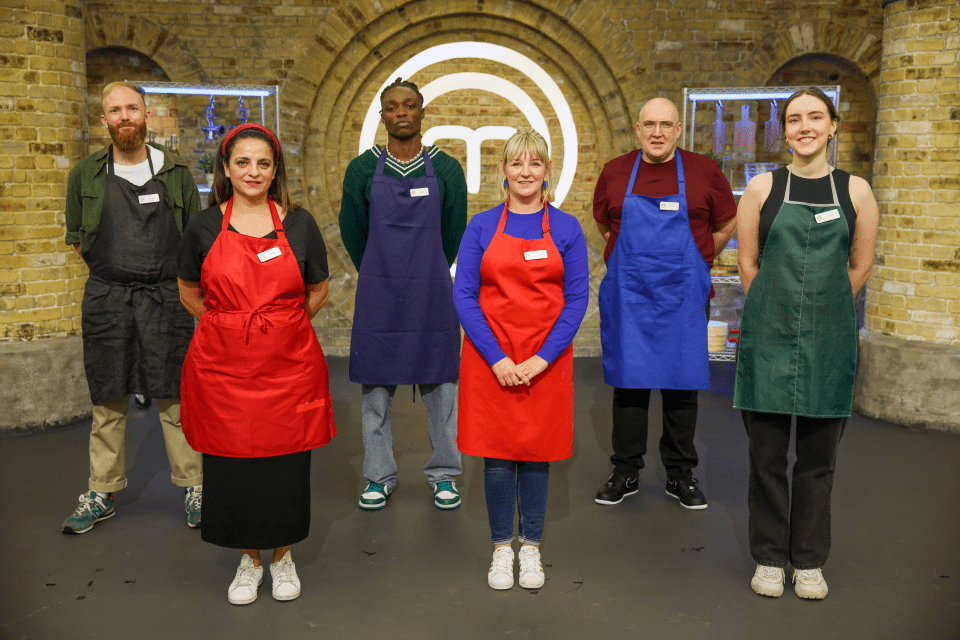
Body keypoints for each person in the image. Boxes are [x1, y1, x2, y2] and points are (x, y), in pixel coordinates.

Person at [178, 123, 336, 605]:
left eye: (263, 163)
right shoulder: (204, 227)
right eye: (242, 162)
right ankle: (248, 560)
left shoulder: (300, 224)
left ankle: (283, 556)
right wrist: (229, 327)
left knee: (285, 463)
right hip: (223, 369)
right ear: (225, 169)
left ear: (275, 170)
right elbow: (188, 290)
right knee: (233, 466)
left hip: (288, 366)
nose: (253, 171)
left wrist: (279, 326)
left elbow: (318, 289)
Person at [734, 88, 878, 600]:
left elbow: (858, 268)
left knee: (819, 460)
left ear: (833, 125)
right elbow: (747, 265)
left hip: (830, 339)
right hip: (767, 339)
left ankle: (810, 561)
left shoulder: (856, 192)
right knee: (766, 457)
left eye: (815, 117)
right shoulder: (762, 189)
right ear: (785, 131)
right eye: (794, 119)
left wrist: (818, 309)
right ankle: (770, 558)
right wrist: (777, 310)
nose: (804, 127)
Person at [62, 81, 203, 534]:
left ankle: (194, 485)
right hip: (107, 297)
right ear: (104, 120)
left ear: (146, 115)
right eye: (114, 110)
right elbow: (79, 241)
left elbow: (192, 240)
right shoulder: (85, 175)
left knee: (175, 395)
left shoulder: (175, 171)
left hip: (165, 295)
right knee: (108, 396)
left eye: (132, 108)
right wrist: (117, 274)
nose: (125, 116)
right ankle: (101, 491)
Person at [455, 130, 589, 590]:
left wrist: (543, 358)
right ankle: (500, 549)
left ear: (547, 171)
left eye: (535, 164)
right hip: (490, 357)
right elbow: (465, 296)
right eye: (517, 164)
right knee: (496, 456)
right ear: (503, 172)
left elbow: (576, 301)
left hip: (545, 361)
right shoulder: (480, 227)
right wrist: (496, 358)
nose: (526, 172)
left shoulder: (567, 229)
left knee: (537, 454)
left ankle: (530, 548)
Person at [592, 98, 737, 509]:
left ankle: (680, 475)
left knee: (682, 386)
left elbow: (727, 221)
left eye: (666, 125)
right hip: (630, 295)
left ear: (678, 130)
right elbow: (605, 223)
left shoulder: (704, 171)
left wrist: (702, 254)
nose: (657, 132)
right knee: (629, 387)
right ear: (638, 129)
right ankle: (625, 471)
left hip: (684, 295)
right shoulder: (615, 172)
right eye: (650, 124)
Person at [339, 78, 468, 510]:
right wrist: (378, 270)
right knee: (375, 390)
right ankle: (378, 475)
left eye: (409, 105)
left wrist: (427, 269)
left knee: (442, 385)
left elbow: (453, 232)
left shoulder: (446, 168)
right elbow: (352, 230)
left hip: (432, 291)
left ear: (422, 112)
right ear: (382, 116)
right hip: (380, 293)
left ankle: (445, 472)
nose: (401, 113)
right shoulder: (362, 169)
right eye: (392, 107)